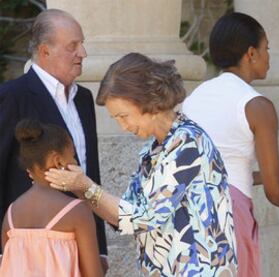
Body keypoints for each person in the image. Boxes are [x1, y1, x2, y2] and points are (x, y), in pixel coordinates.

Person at [45, 52, 238, 276]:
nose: (123, 127)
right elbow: (123, 220)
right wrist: (78, 187)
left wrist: (86, 186)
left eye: (123, 116)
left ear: (147, 102)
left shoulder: (187, 143)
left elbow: (143, 218)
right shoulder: (154, 149)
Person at [182, 12, 279, 277]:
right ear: (251, 53)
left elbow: (220, 170)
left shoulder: (195, 98)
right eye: (266, 48)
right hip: (228, 214)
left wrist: (277, 174)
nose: (269, 56)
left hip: (188, 213)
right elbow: (276, 193)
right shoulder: (257, 105)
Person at [0, 9, 108, 270]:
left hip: (84, 247)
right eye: (73, 46)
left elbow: (89, 171)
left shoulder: (83, 99)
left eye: (82, 44)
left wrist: (100, 249)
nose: (83, 53)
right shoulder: (12, 97)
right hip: (31, 253)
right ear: (45, 51)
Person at [0, 119, 103, 277]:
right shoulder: (77, 211)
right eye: (73, 156)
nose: (75, 162)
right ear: (58, 160)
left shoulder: (11, 214)